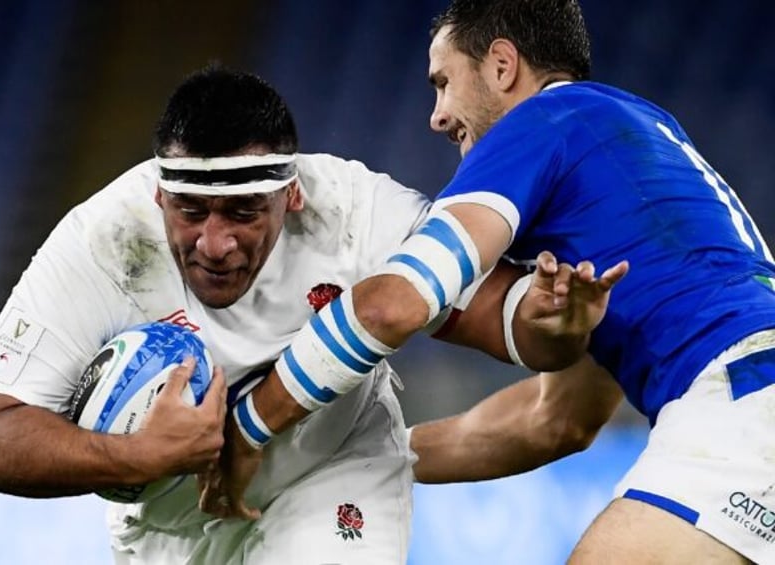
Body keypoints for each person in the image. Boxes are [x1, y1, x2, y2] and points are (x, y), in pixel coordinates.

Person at [0, 65, 618, 564]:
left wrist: (548, 321)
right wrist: (135, 454)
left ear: (292, 194)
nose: (213, 243)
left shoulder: (355, 211)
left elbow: (502, 319)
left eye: (242, 212)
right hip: (168, 518)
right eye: (189, 212)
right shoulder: (101, 243)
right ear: (158, 195)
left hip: (333, 471)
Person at [220, 1, 775, 563]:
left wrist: (250, 431)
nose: (437, 116)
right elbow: (555, 421)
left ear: (503, 66)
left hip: (748, 396)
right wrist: (353, 463)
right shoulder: (625, 148)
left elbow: (394, 305)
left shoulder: (540, 123)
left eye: (444, 82)